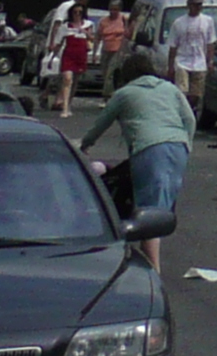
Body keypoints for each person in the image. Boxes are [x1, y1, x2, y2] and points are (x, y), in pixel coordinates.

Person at [75, 47, 194, 267]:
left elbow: (101, 124)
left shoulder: (125, 93)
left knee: (148, 214)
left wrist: (84, 145)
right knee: (162, 207)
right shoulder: (170, 89)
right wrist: (187, 144)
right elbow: (189, 120)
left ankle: (153, 270)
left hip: (148, 148)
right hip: (178, 148)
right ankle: (150, 257)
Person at [169, 0, 217, 108]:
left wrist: (210, 61)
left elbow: (210, 43)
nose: (197, 7)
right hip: (182, 61)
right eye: (195, 4)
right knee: (182, 92)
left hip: (199, 63)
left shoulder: (208, 21)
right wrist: (170, 66)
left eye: (200, 5)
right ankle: (182, 112)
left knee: (196, 94)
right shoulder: (179, 23)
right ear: (188, 5)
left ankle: (192, 111)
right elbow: (173, 46)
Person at [50, 10, 94, 117]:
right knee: (67, 79)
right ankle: (64, 108)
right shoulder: (66, 27)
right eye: (75, 12)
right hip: (69, 55)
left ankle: (68, 104)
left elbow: (92, 38)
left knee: (75, 82)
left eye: (80, 12)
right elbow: (59, 43)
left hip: (80, 55)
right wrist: (52, 57)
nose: (77, 14)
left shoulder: (88, 25)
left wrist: (85, 32)